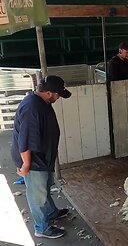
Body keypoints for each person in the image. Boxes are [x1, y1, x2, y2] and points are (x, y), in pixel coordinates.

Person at [11, 76, 72, 239]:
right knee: (37, 195)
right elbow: (25, 141)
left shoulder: (41, 102)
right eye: (58, 94)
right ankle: (42, 227)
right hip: (34, 161)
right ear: (48, 92)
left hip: (42, 158)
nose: (59, 97)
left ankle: (51, 212)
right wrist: (26, 165)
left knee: (44, 188)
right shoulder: (32, 108)